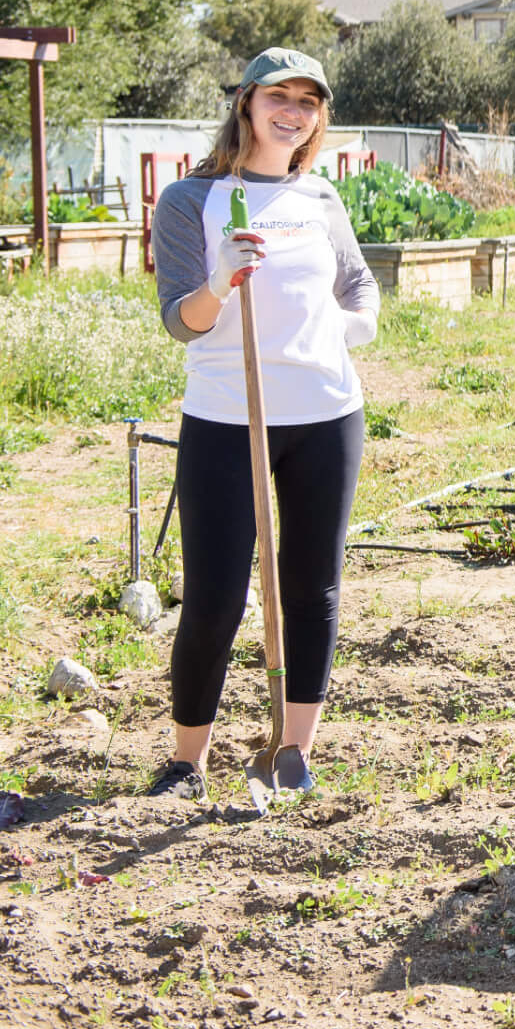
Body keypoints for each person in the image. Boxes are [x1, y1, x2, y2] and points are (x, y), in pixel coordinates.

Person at [143, 48, 379, 799]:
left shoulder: (320, 199)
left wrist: (353, 326)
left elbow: (358, 279)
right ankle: (187, 762)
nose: (295, 110)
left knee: (313, 588)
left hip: (325, 413)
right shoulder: (191, 199)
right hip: (226, 416)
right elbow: (182, 321)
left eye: (310, 100)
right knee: (215, 593)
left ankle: (293, 752)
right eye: (281, 95)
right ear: (246, 102)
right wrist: (219, 282)